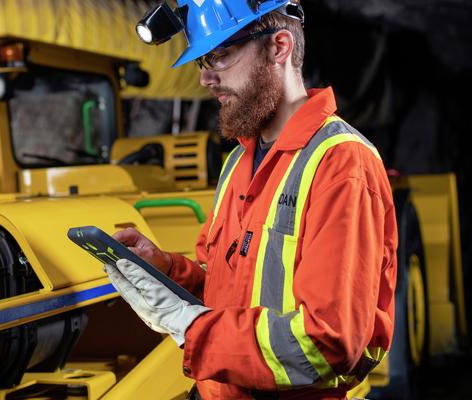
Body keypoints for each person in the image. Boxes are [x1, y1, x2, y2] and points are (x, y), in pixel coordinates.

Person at [103, 0, 398, 398]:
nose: (207, 79)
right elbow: (228, 290)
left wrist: (190, 327)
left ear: (279, 47)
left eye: (221, 56)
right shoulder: (239, 162)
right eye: (203, 62)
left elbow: (327, 344)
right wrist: (167, 269)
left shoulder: (341, 164)